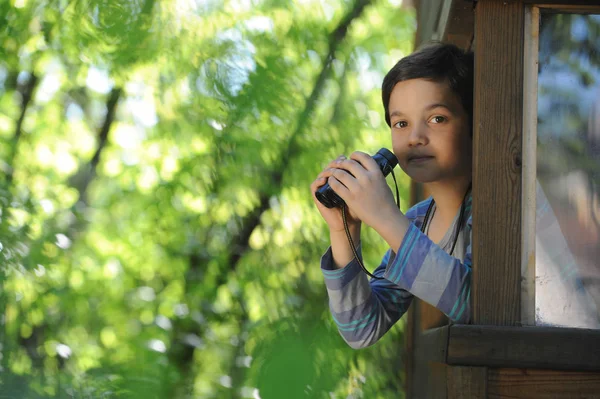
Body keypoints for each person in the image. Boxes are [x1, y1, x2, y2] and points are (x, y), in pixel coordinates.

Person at [310, 43, 474, 349]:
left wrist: (385, 217)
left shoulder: (496, 206)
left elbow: (478, 308)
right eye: (401, 123)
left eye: (437, 118)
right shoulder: (418, 222)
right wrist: (343, 229)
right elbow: (361, 330)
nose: (415, 138)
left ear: (475, 123)